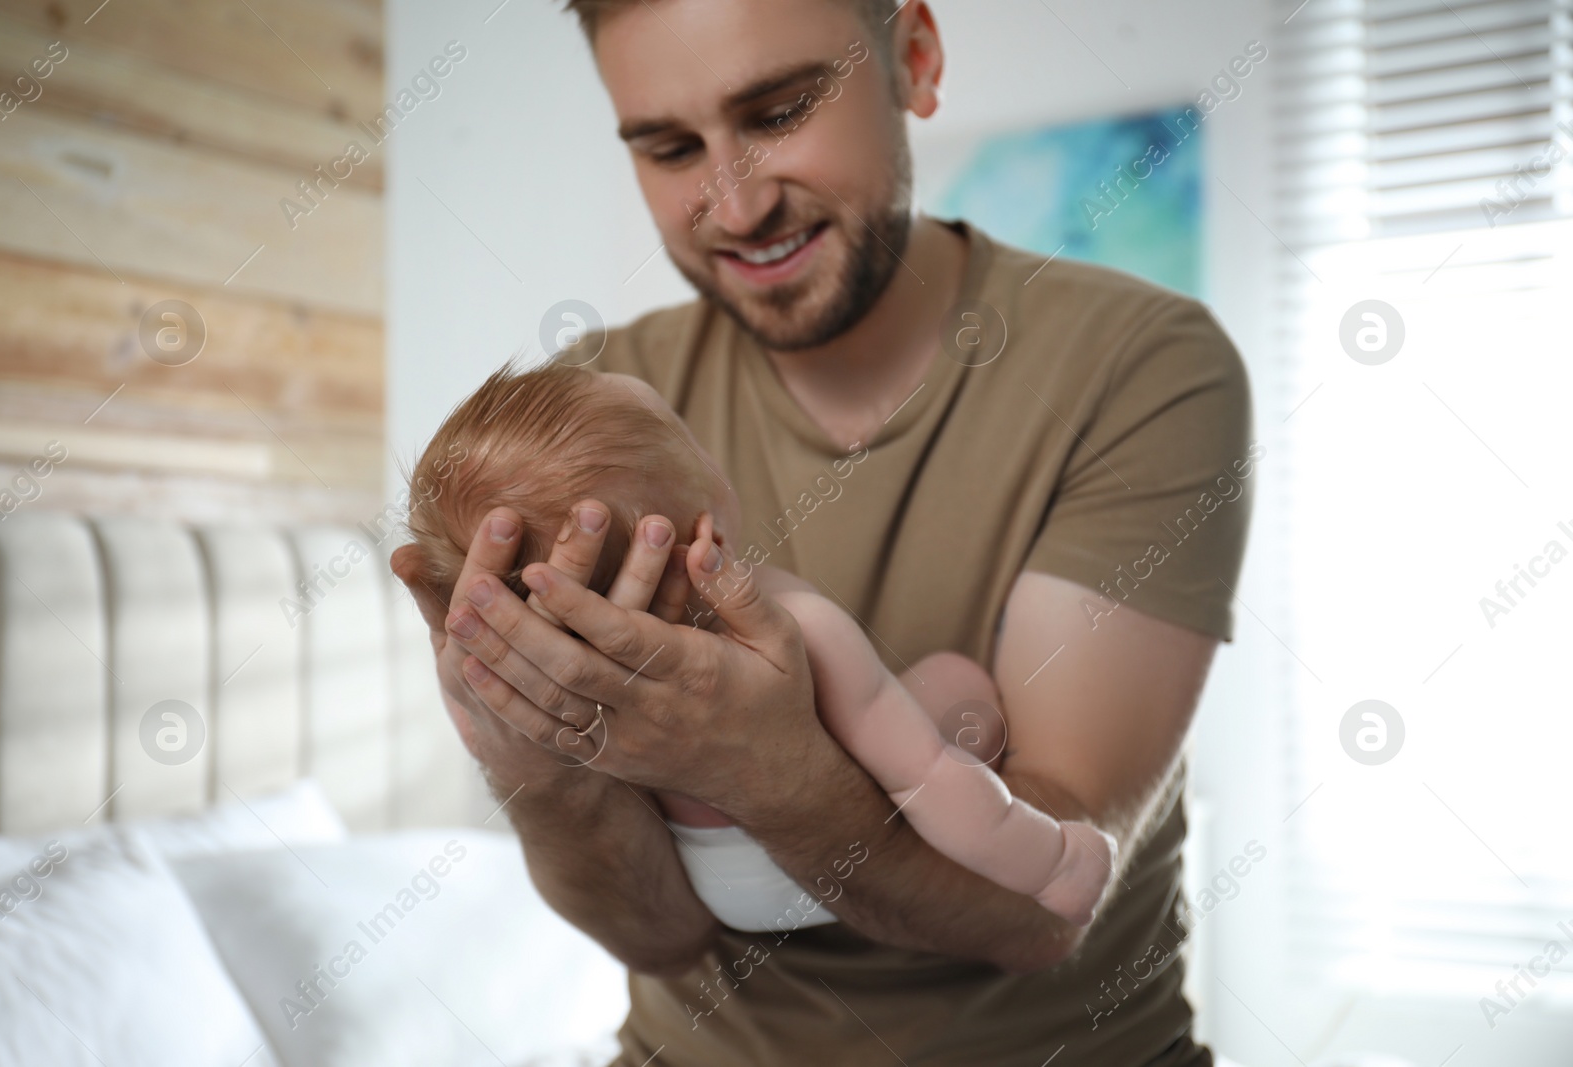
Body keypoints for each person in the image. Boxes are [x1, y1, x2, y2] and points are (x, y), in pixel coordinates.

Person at [390, 0, 1256, 1063]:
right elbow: (658, 934)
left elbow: (1043, 909)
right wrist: (545, 764)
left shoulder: (1139, 366)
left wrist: (765, 766)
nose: (737, 203)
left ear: (916, 59)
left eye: (781, 109)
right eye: (669, 146)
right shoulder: (598, 411)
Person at [399, 359, 1118, 929]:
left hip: (708, 881)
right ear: (709, 519)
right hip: (819, 863)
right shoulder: (795, 619)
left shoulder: (535, 685)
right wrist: (1055, 863)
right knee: (953, 682)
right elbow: (926, 774)